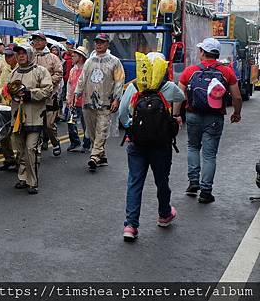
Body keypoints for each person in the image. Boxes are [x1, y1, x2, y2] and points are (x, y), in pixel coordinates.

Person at [118, 52, 184, 241]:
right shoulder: (168, 87)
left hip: (137, 144)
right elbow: (181, 96)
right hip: (161, 144)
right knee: (162, 180)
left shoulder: (134, 87)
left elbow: (123, 113)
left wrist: (132, 128)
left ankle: (130, 225)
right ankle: (164, 214)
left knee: (134, 182)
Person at [178, 38, 242, 203]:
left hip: (193, 115)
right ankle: (206, 191)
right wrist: (236, 113)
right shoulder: (227, 72)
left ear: (202, 53)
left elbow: (179, 94)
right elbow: (237, 96)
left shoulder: (190, 71)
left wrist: (176, 114)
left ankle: (193, 182)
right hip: (215, 117)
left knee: (193, 147)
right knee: (209, 154)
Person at [8, 43, 53, 194]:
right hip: (18, 117)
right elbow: (9, 91)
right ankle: (22, 178)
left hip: (35, 117)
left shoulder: (40, 71)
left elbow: (47, 90)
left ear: (30, 54)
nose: (20, 56)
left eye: (23, 53)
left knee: (31, 148)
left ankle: (32, 181)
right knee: (20, 150)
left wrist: (29, 93)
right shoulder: (14, 72)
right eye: (18, 53)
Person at [75, 33, 125, 171]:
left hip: (105, 103)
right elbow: (82, 78)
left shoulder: (115, 62)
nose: (99, 44)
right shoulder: (89, 61)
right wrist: (76, 93)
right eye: (97, 42)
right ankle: (101, 156)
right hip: (89, 102)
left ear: (107, 44)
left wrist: (117, 99)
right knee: (91, 132)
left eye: (102, 42)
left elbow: (119, 81)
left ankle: (94, 156)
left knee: (101, 130)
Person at [31, 32, 63, 156]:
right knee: (35, 123)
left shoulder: (53, 58)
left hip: (50, 95)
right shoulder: (30, 56)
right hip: (34, 95)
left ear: (45, 42)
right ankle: (37, 145)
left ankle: (55, 142)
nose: (37, 42)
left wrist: (48, 83)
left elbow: (58, 73)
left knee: (49, 124)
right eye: (35, 40)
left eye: (40, 40)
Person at [0, 43, 19, 171]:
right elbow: (2, 86)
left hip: (17, 107)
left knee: (15, 136)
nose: (8, 58)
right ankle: (8, 158)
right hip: (5, 106)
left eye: (10, 56)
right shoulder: (6, 69)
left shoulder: (20, 69)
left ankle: (19, 161)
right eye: (6, 56)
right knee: (3, 135)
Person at [66, 46, 91, 153]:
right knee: (71, 122)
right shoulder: (73, 70)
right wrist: (68, 98)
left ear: (81, 57)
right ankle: (75, 142)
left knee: (86, 124)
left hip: (85, 101)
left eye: (75, 55)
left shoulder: (87, 69)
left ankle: (87, 144)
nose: (72, 56)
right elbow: (69, 84)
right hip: (73, 101)